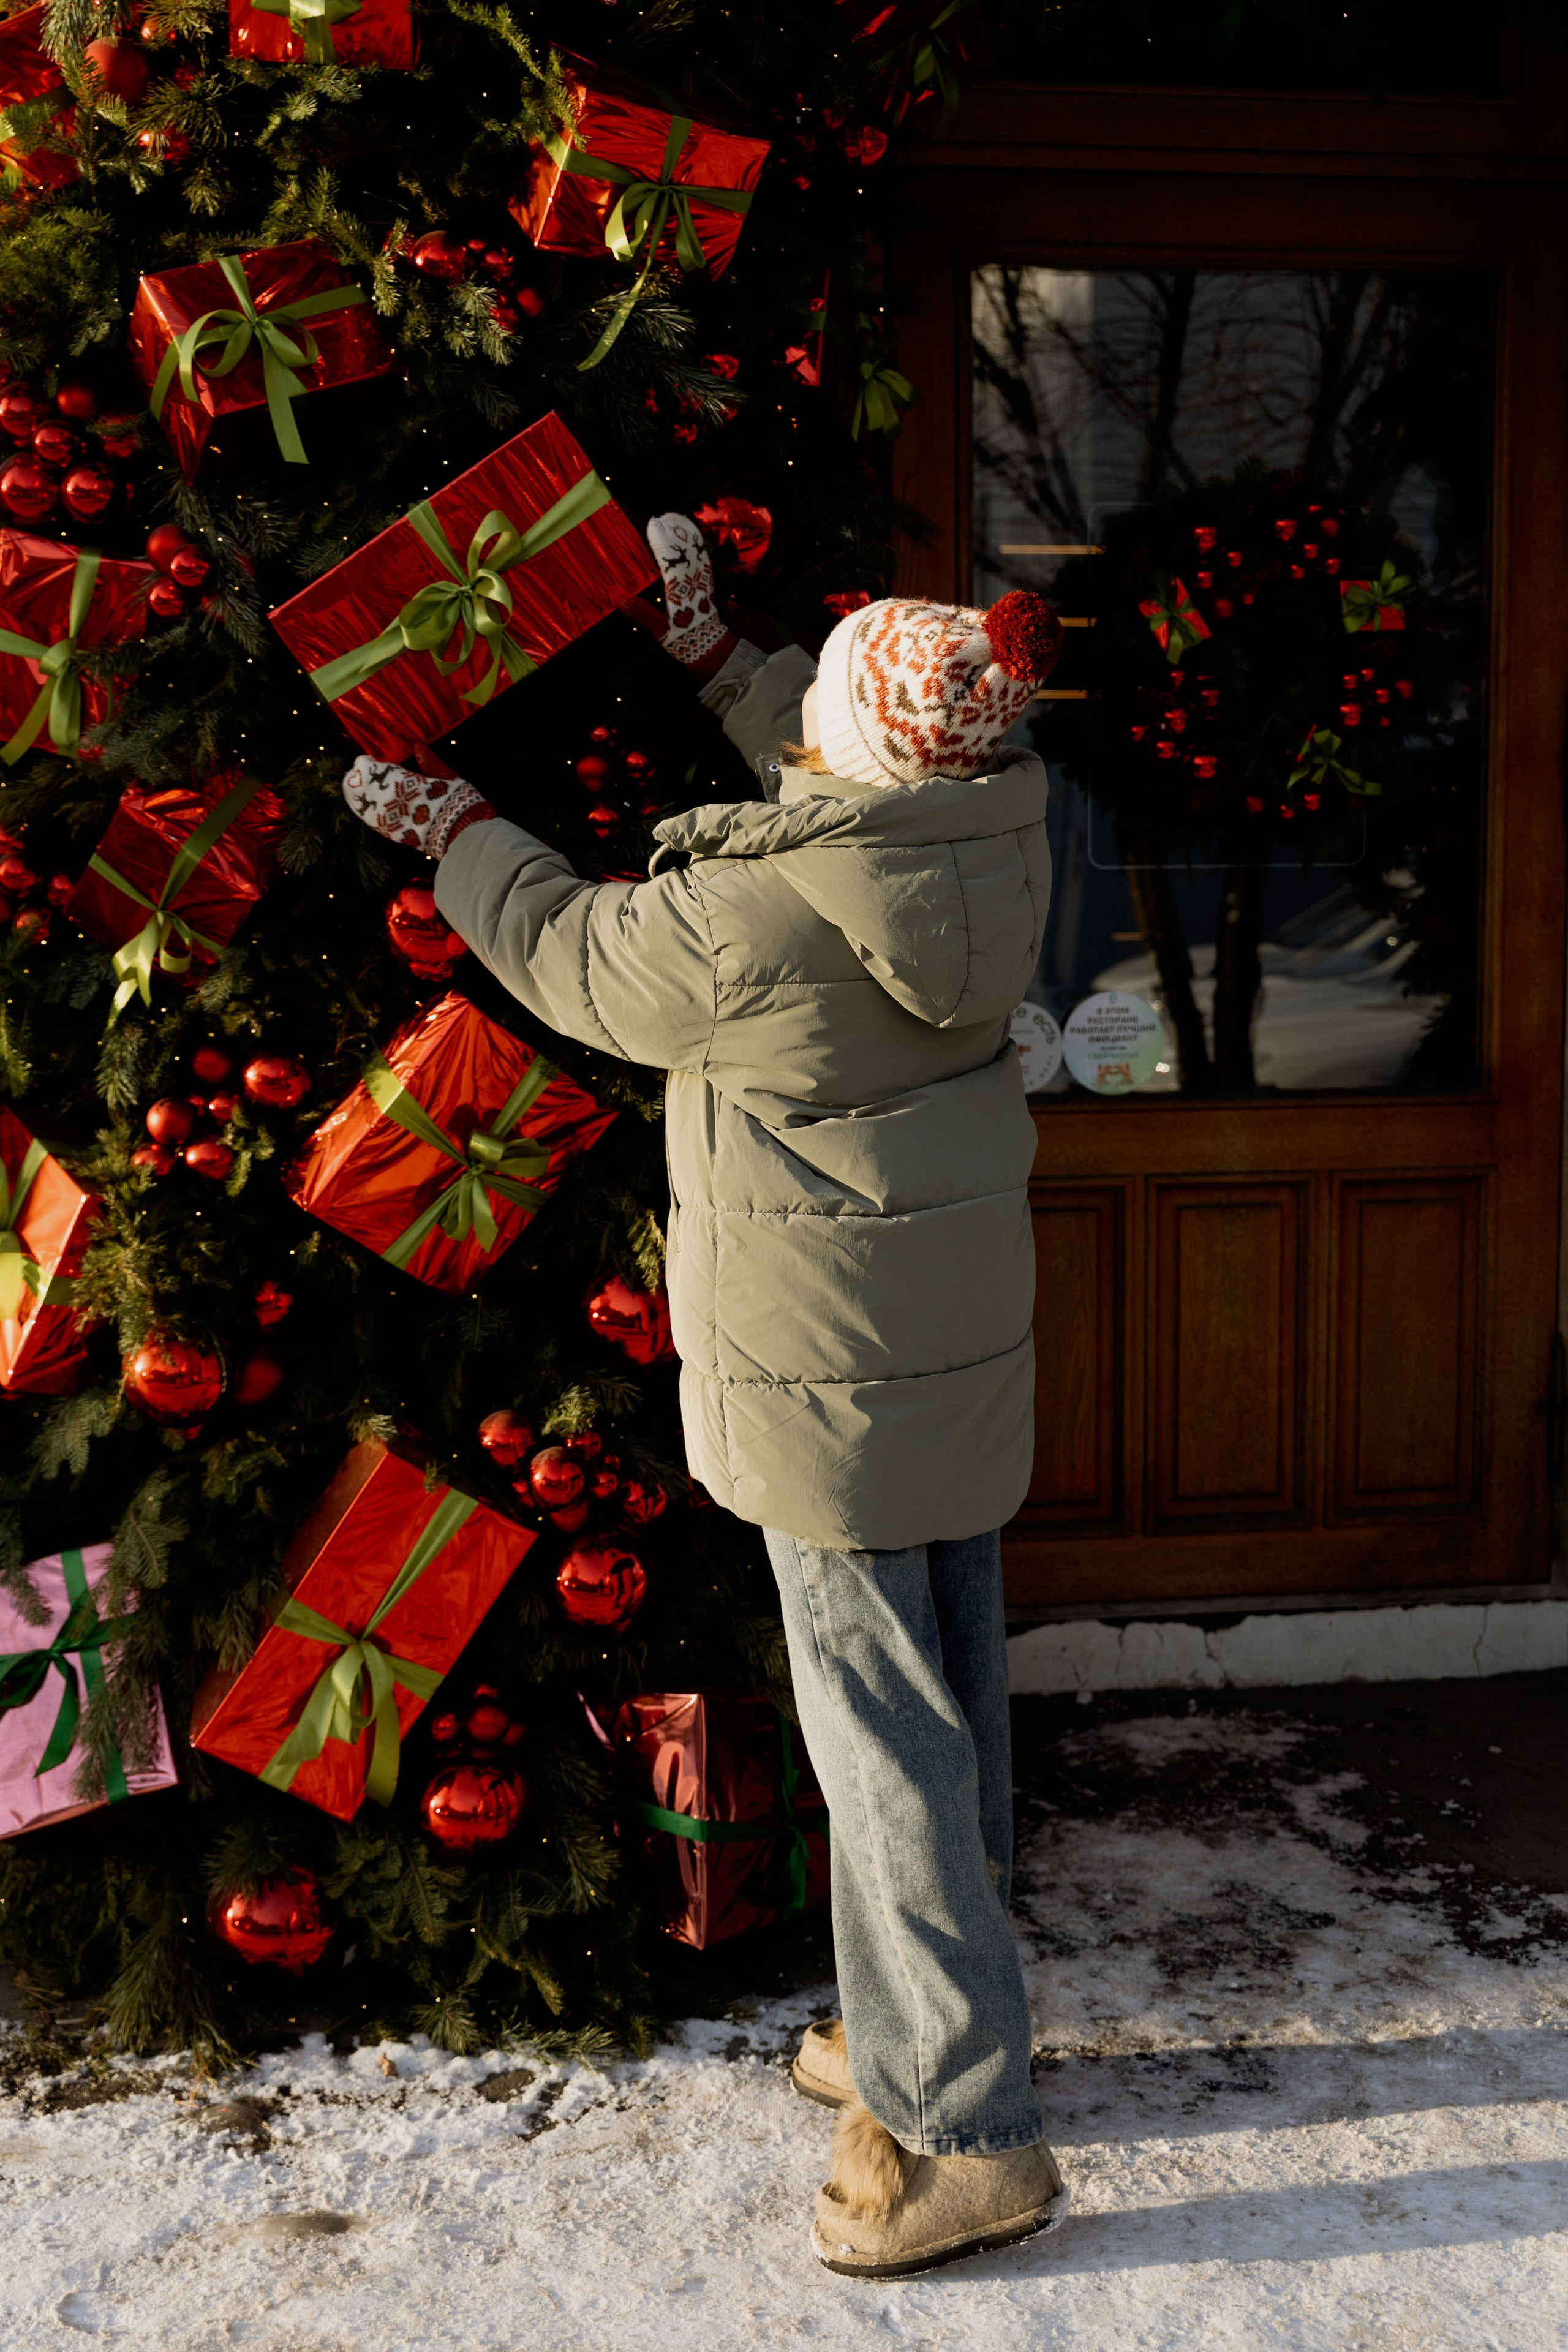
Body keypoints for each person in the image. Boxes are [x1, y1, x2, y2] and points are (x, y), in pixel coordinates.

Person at [341, 513, 1068, 2280]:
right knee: (950, 1697)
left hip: (830, 1388)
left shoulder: (749, 929)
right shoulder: (993, 838)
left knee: (879, 1741)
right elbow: (853, 808)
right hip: (949, 1357)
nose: (803, 732)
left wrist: (453, 830)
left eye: (812, 705)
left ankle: (963, 2129)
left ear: (858, 736)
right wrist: (715, 663)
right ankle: (929, 2023)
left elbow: (583, 956)